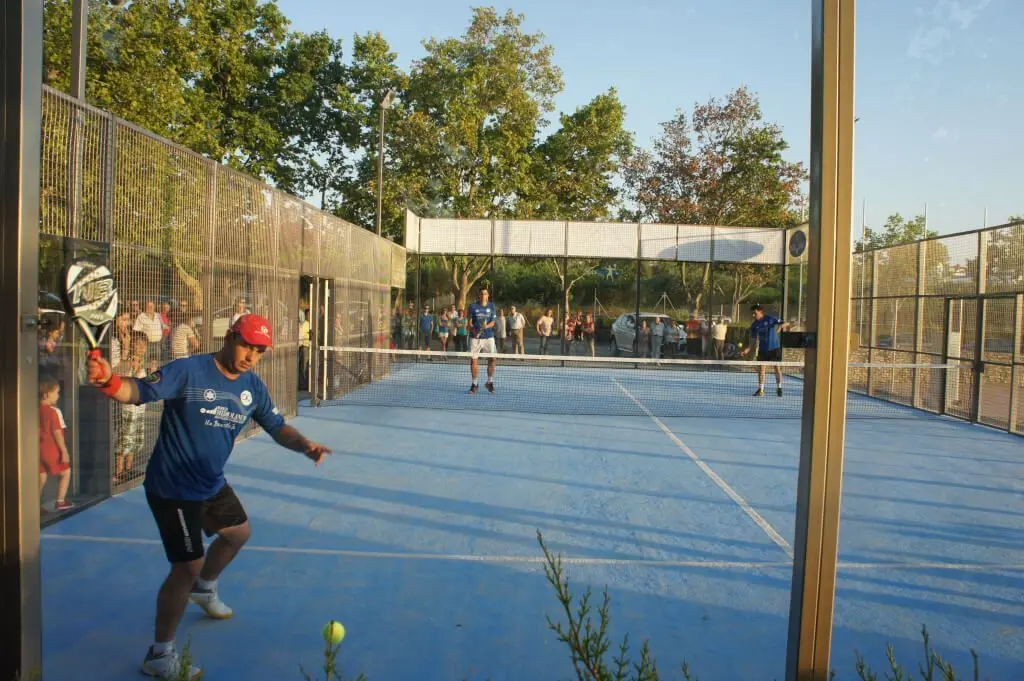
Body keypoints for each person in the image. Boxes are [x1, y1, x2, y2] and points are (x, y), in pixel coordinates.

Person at [85, 314, 332, 679]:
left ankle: (205, 589)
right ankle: (160, 655)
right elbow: (139, 391)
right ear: (230, 337)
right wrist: (108, 380)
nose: (251, 355)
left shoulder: (252, 387)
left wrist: (304, 445)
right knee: (185, 566)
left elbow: (277, 427)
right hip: (172, 488)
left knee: (238, 533)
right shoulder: (189, 370)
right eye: (247, 344)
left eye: (260, 350)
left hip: (209, 483)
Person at [740, 303, 791, 396]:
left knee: (777, 368)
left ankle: (779, 388)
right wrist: (747, 349)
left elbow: (786, 323)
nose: (753, 315)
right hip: (763, 350)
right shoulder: (754, 325)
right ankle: (761, 389)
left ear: (760, 312)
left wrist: (780, 326)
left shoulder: (770, 319)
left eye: (755, 313)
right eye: (752, 313)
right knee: (761, 369)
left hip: (774, 348)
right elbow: (753, 340)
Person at [467, 287, 497, 393]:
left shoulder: (492, 306)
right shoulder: (472, 306)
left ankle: (489, 382)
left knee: (493, 359)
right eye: (482, 293)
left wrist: (486, 326)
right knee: (474, 360)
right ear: (479, 295)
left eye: (485, 294)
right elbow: (470, 322)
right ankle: (474, 384)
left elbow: (493, 322)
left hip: (489, 337)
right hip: (475, 338)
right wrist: (474, 330)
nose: (483, 295)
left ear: (488, 296)